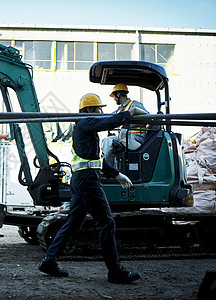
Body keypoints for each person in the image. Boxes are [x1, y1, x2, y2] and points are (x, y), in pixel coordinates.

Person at [38, 93, 141, 284]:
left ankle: (49, 261)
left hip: (82, 179)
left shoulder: (88, 132)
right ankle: (115, 271)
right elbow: (108, 123)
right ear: (90, 110)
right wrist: (127, 114)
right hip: (87, 181)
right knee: (106, 222)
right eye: (99, 109)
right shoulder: (85, 122)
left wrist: (117, 174)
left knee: (73, 223)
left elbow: (97, 160)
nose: (101, 112)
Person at [102, 83, 148, 166]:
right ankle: (111, 166)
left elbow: (147, 117)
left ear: (119, 94)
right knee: (104, 141)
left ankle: (105, 168)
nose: (114, 99)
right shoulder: (121, 109)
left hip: (136, 137)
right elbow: (111, 117)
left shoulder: (135, 105)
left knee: (109, 141)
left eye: (115, 97)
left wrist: (129, 122)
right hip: (126, 137)